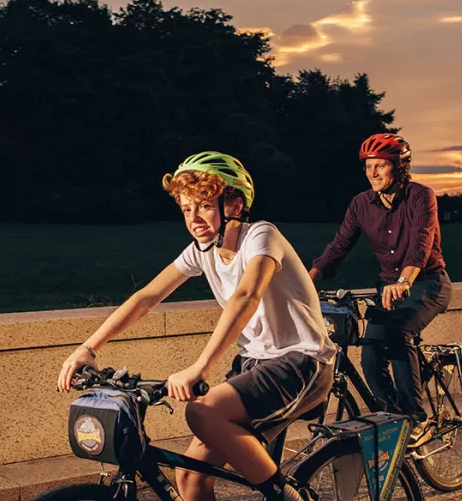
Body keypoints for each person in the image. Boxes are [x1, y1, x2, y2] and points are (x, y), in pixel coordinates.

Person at [56, 152, 335, 501]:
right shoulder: (202, 250)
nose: (194, 218)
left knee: (202, 410)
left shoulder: (262, 236)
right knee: (189, 477)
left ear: (234, 203)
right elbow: (147, 297)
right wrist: (88, 348)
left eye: (204, 205)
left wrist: (201, 367)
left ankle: (285, 496)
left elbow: (246, 296)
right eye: (186, 209)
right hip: (256, 362)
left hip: (302, 362)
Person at [308, 133, 452, 441]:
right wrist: (308, 279)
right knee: (370, 355)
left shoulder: (420, 196)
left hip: (427, 284)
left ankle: (417, 418)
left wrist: (404, 281)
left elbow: (421, 244)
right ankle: (394, 416)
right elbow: (339, 246)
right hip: (389, 289)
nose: (372, 173)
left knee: (399, 333)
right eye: (368, 166)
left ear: (399, 168)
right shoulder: (361, 204)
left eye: (380, 166)